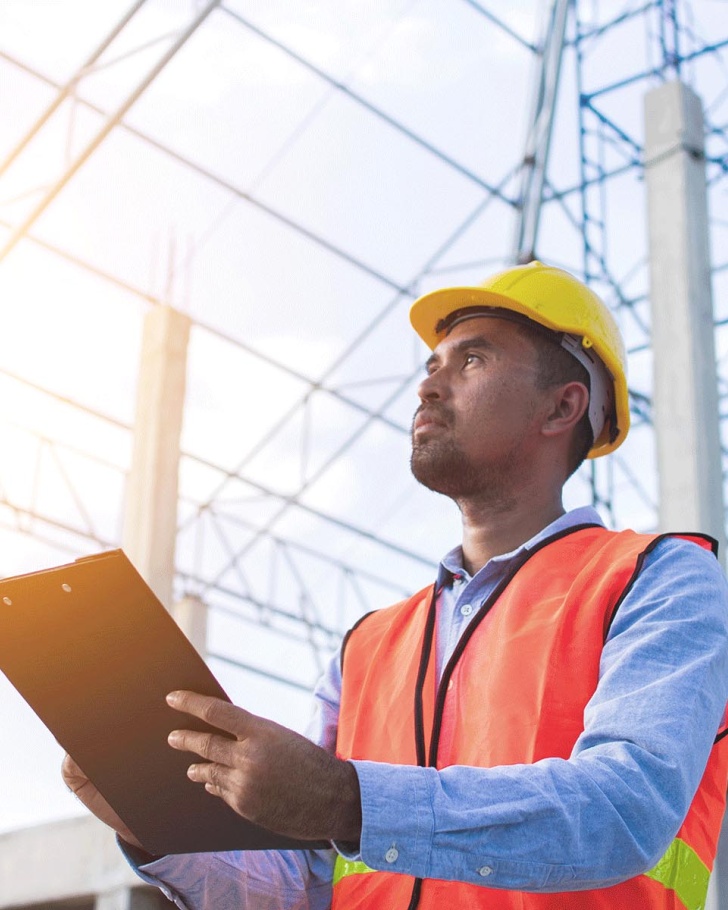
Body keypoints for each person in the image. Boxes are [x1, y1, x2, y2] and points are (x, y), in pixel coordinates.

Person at [63, 261, 728, 909]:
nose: (428, 387)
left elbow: (624, 808)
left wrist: (345, 800)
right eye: (431, 366)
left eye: (472, 360)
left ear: (562, 406)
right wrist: (153, 821)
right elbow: (301, 889)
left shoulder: (660, 578)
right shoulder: (368, 646)